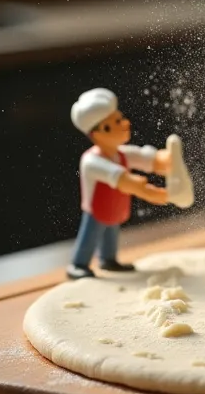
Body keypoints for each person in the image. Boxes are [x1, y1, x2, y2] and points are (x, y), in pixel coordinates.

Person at [67, 88, 171, 280]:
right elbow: (121, 179)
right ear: (100, 132)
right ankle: (78, 264)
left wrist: (164, 160)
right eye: (116, 122)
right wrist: (150, 192)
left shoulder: (120, 153)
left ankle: (108, 260)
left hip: (114, 207)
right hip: (95, 210)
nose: (125, 123)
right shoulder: (91, 161)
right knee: (90, 236)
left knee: (111, 235)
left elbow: (144, 157)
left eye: (120, 117)